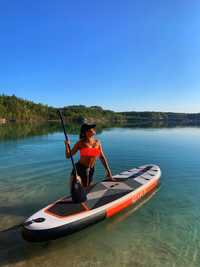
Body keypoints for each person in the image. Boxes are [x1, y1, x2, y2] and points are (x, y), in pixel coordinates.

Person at [65, 123, 114, 189]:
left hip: (91, 169)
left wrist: (108, 172)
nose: (93, 129)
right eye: (91, 128)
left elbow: (102, 157)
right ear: (86, 132)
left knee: (88, 187)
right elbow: (68, 155)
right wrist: (67, 145)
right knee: (81, 188)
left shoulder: (97, 142)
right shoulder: (80, 143)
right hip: (80, 168)